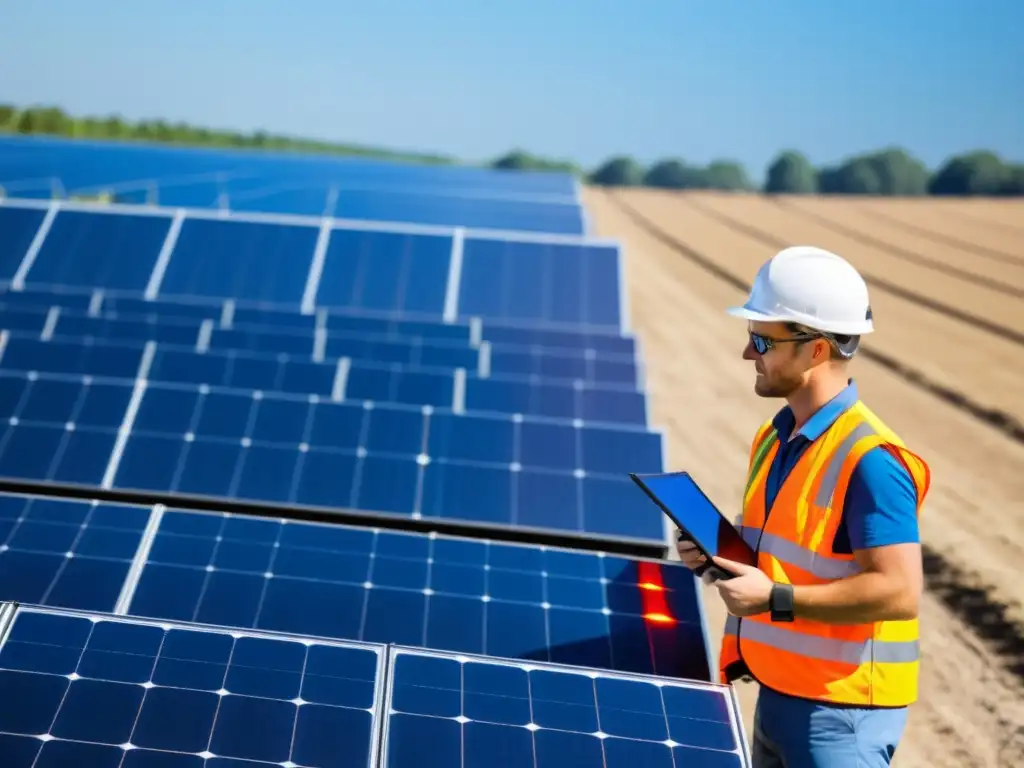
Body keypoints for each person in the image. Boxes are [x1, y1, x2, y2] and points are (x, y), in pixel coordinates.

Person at [676, 246, 930, 768]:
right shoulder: (774, 439)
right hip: (779, 693)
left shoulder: (871, 461)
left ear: (815, 351)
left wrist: (775, 598)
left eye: (762, 340)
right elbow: (788, 555)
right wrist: (716, 555)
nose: (749, 353)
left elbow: (900, 591)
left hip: (842, 715)